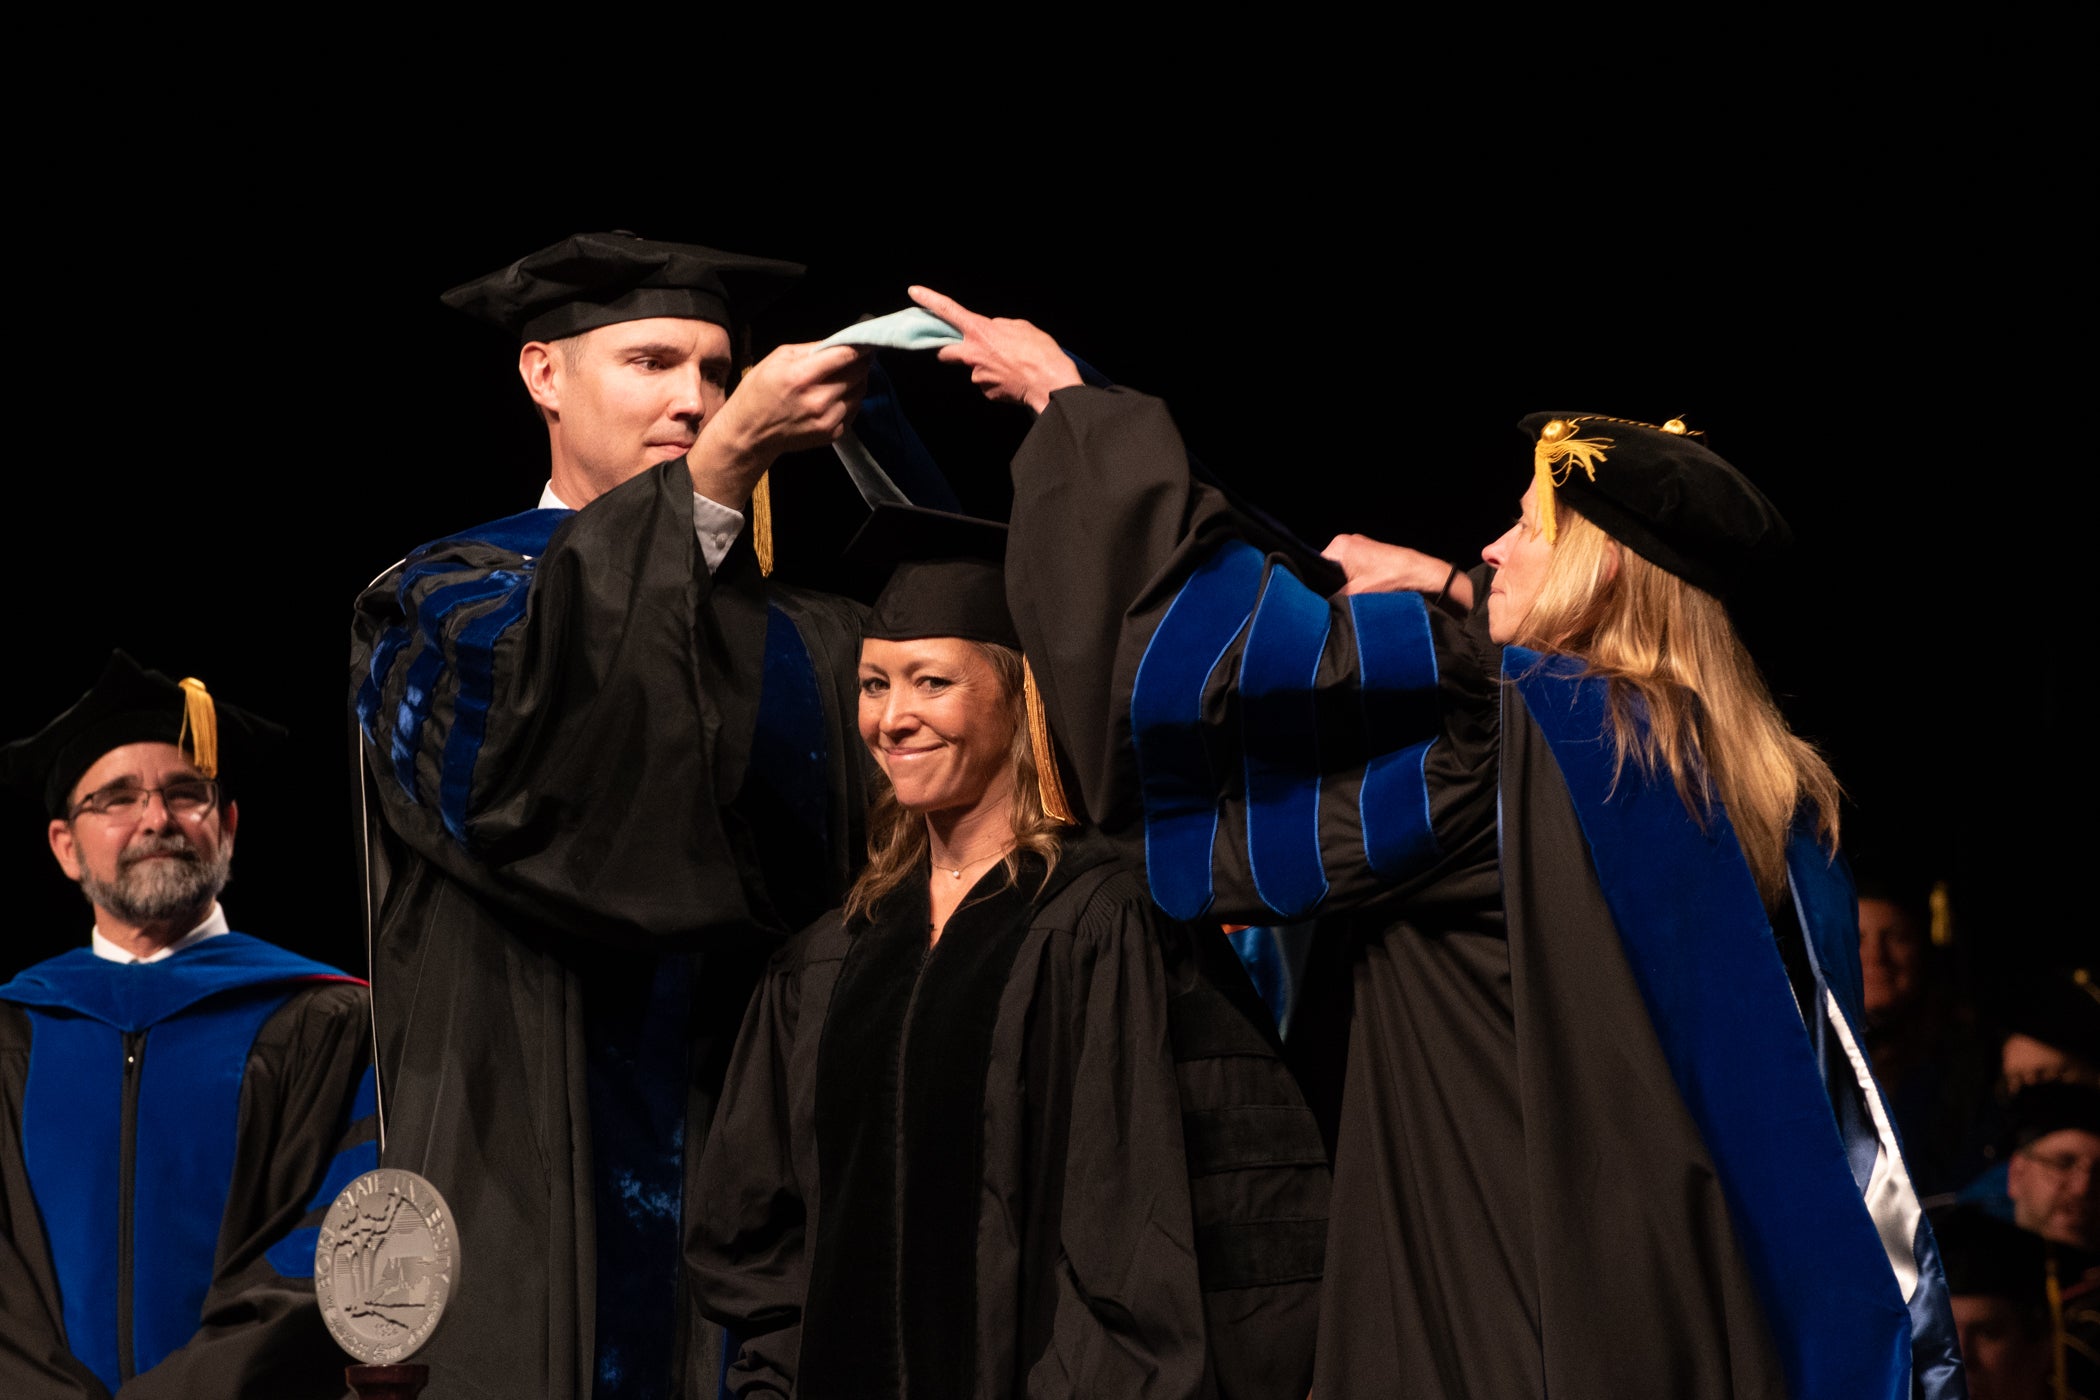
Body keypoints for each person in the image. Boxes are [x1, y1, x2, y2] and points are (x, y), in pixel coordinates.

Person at [909, 286, 1964, 1399]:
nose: (1490, 545)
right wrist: (1458, 594)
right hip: (1684, 1307)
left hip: (1484, 1282)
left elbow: (1215, 671)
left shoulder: (1504, 732)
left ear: (1599, 564)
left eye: (1525, 526)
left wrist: (1080, 412)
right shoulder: (1757, 790)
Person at [349, 232, 873, 1399]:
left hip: (777, 1208)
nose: (695, 399)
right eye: (650, 360)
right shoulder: (435, 601)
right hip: (524, 1189)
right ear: (544, 374)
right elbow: (536, 787)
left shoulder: (820, 638)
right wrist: (717, 479)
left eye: (720, 372)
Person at [690, 505, 1328, 1399]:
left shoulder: (1105, 923)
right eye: (875, 685)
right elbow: (759, 1238)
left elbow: (1144, 1230)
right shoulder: (828, 958)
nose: (893, 719)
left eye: (931, 683)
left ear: (1018, 693)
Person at [0, 651, 374, 1399]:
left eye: (185, 792)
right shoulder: (19, 1031)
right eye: (115, 798)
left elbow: (341, 1241)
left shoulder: (326, 1020)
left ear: (227, 826)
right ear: (65, 847)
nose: (156, 819)